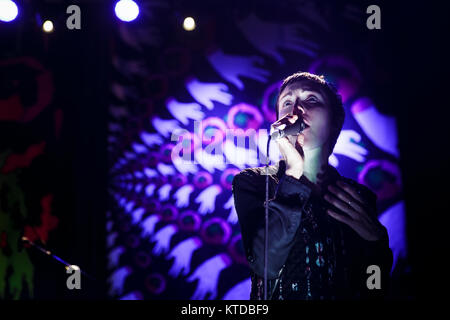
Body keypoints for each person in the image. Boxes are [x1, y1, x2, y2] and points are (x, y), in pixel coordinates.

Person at [232, 71, 393, 300]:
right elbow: (266, 265)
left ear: (335, 122)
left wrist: (376, 246)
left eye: (311, 100)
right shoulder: (254, 183)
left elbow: (374, 291)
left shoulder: (358, 197)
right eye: (287, 103)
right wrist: (293, 173)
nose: (296, 110)